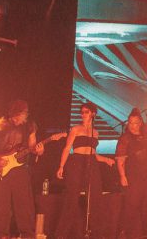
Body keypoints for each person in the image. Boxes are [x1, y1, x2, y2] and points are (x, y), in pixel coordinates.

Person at [0, 100, 44, 239]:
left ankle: (28, 235)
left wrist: (39, 151)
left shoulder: (30, 126)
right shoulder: (0, 124)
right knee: (1, 205)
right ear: (17, 114)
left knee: (24, 204)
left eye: (26, 113)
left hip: (20, 168)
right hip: (2, 167)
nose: (26, 116)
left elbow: (33, 146)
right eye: (24, 113)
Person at [54, 102, 115, 238]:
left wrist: (106, 160)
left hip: (91, 162)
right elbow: (67, 148)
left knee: (95, 197)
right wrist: (61, 166)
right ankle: (61, 234)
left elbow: (93, 153)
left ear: (93, 114)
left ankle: (96, 233)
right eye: (81, 112)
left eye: (86, 112)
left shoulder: (96, 132)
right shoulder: (76, 129)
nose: (83, 115)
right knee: (72, 197)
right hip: (76, 161)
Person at [116, 108, 147, 239]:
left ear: (140, 123)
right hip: (132, 178)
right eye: (130, 122)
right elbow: (120, 159)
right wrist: (122, 176)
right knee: (131, 206)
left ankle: (146, 234)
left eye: (135, 123)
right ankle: (124, 234)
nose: (132, 125)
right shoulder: (125, 138)